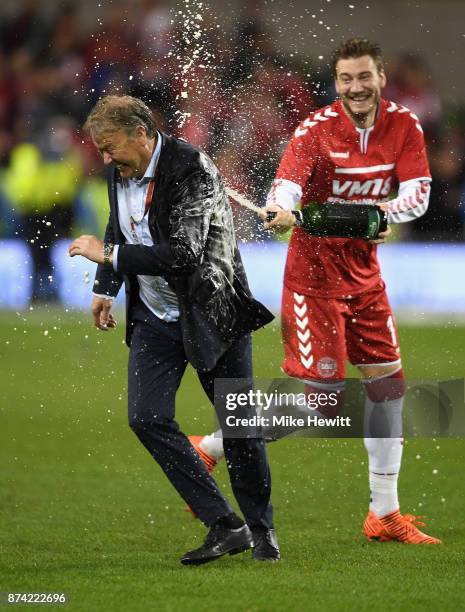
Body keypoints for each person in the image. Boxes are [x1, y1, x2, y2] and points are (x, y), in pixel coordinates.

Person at [192, 38, 441, 545]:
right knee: (321, 404)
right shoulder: (316, 131)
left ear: (380, 77)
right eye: (346, 79)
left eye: (364, 77)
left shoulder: (404, 126)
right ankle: (212, 446)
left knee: (388, 388)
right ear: (337, 84)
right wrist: (283, 209)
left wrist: (378, 214)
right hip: (314, 282)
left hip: (366, 280)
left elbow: (417, 195)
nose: (356, 87)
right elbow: (286, 187)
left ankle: (384, 513)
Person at [68, 94, 280, 564]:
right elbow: (119, 227)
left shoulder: (192, 169)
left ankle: (263, 533)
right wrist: (108, 284)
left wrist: (107, 257)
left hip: (213, 313)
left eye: (110, 147)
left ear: (141, 134)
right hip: (155, 317)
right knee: (145, 418)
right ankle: (225, 525)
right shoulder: (118, 170)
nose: (104, 159)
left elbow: (183, 254)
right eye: (100, 150)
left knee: (240, 428)